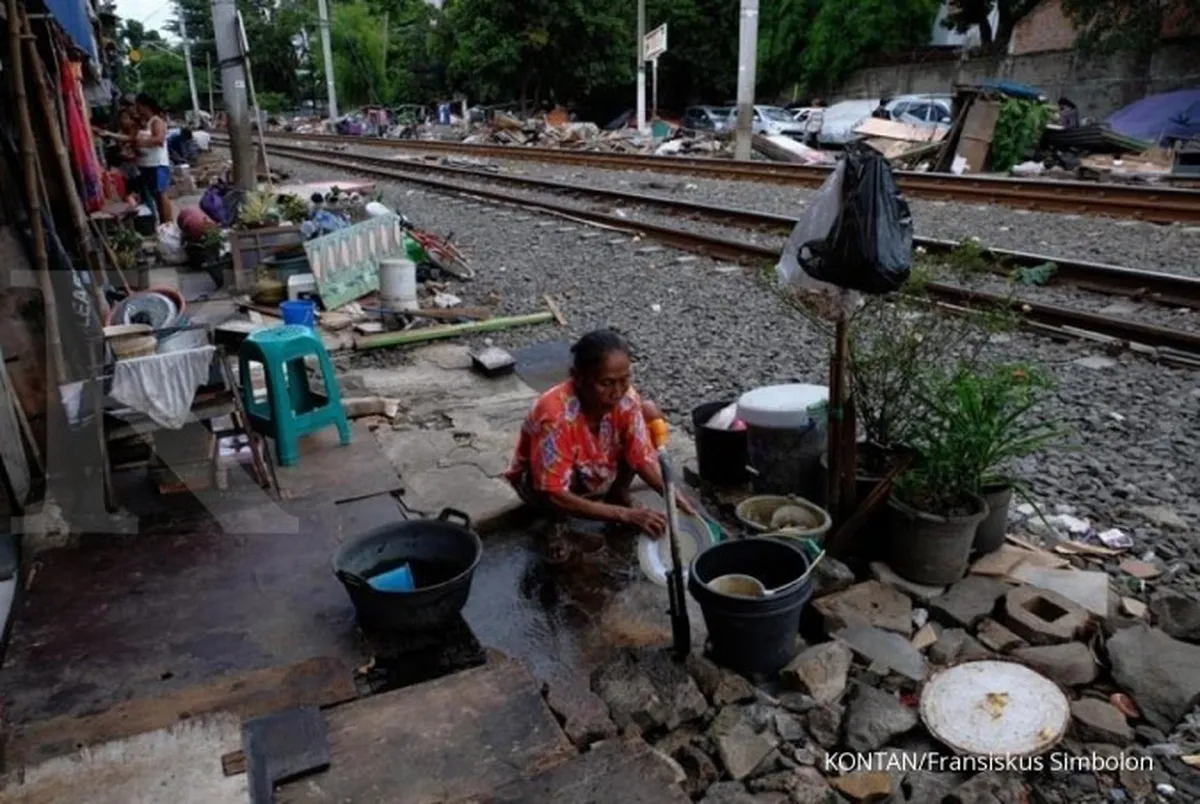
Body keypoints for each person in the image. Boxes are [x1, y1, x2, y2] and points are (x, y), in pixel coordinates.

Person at [505, 329, 697, 561]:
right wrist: (626, 516)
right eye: (606, 383)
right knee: (555, 497)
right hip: (542, 485)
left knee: (642, 421)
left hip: (591, 466)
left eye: (625, 379)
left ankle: (618, 493)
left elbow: (640, 457)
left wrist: (673, 496)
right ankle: (557, 521)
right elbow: (554, 491)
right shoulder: (555, 416)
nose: (617, 392)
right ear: (579, 377)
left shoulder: (626, 399)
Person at [133, 92, 172, 225]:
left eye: (137, 106)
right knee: (156, 196)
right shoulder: (147, 123)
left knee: (161, 195)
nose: (136, 109)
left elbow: (159, 139)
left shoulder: (157, 121)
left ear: (145, 106)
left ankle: (168, 224)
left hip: (158, 164)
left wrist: (142, 143)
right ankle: (163, 224)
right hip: (148, 165)